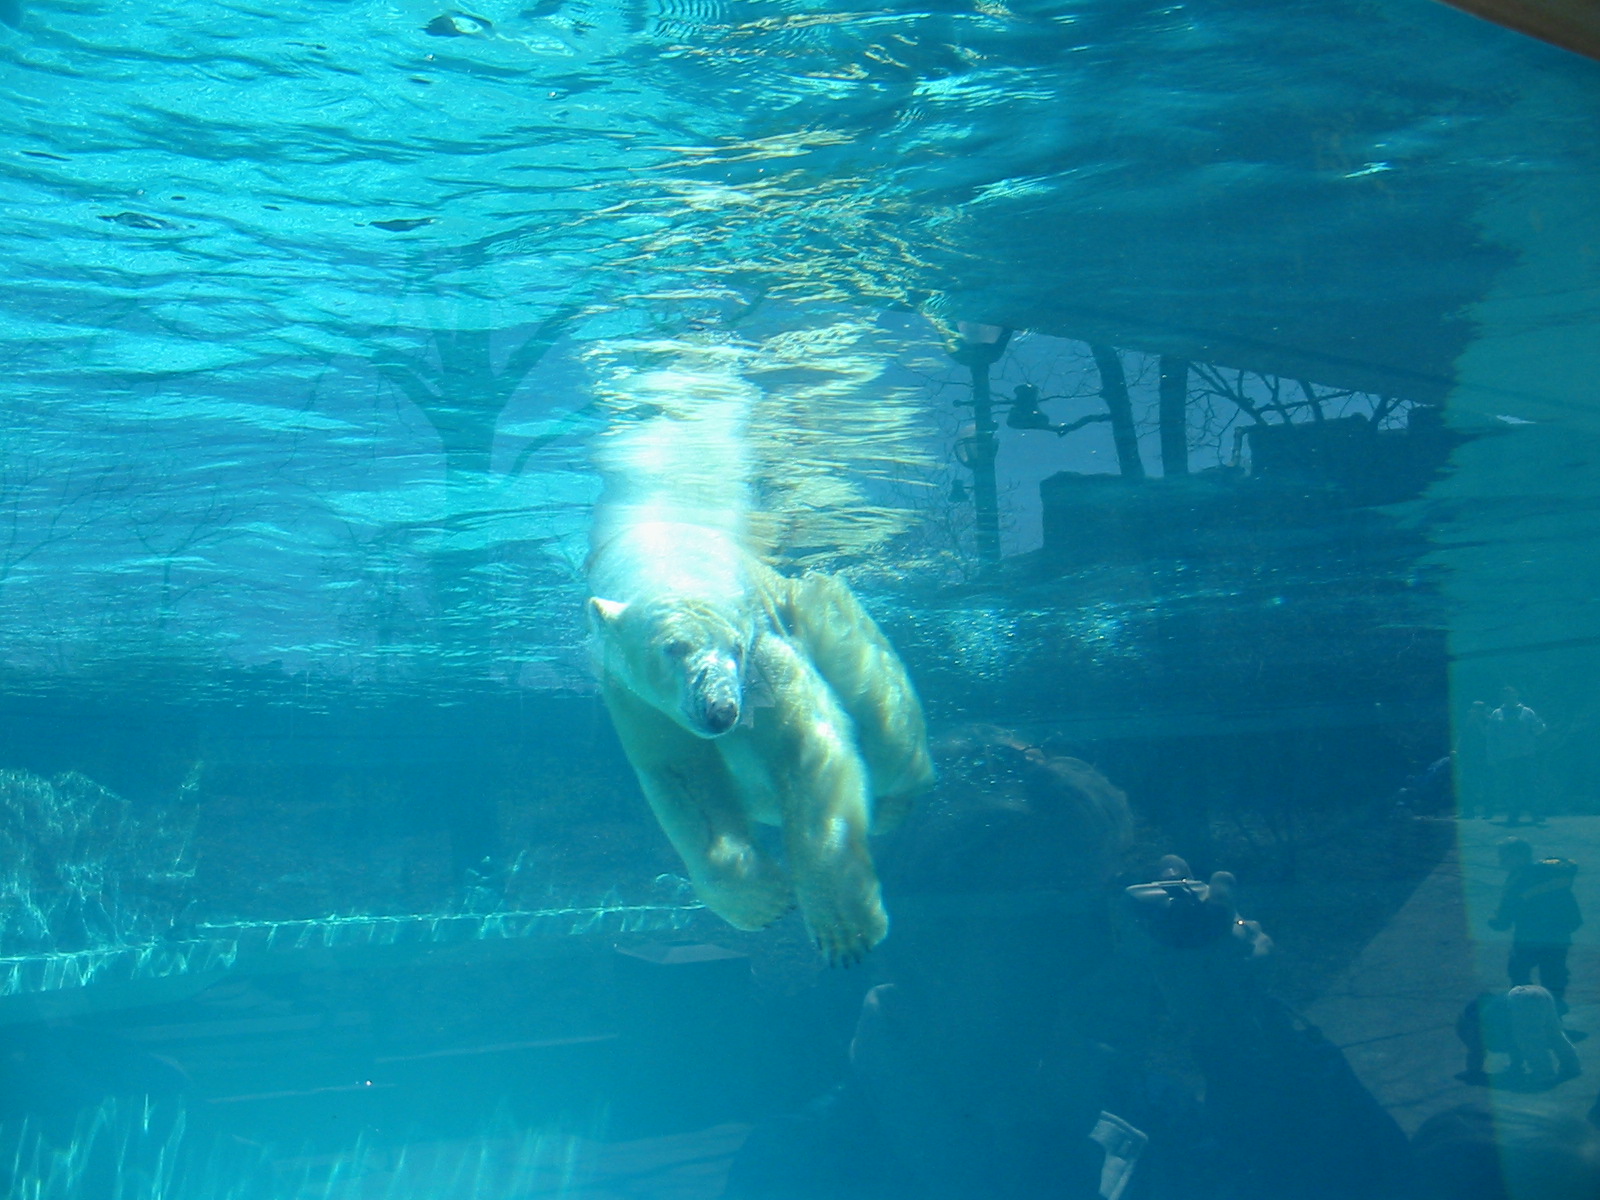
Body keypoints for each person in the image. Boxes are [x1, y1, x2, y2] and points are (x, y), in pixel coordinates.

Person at [1490, 837, 1582, 1013]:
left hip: (1528, 937)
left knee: (1518, 971)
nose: (1501, 861)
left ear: (1519, 857)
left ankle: (1526, 1007)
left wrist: (1497, 922)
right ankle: (1556, 1006)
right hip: (1558, 936)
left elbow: (1506, 910)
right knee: (1554, 972)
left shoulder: (1518, 879)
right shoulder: (1549, 872)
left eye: (1504, 856)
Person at [1486, 687, 1546, 824]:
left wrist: (1539, 727)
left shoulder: (1527, 712)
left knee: (1529, 785)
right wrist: (1491, 756)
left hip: (1526, 755)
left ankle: (1535, 813)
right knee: (1510, 787)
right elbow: (1491, 737)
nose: (1509, 698)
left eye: (1511, 695)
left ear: (1517, 695)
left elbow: (1539, 730)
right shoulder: (1497, 713)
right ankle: (1513, 814)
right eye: (1505, 695)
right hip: (1506, 757)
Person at [1457, 700, 1490, 819]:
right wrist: (1457, 750)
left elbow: (1487, 734)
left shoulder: (1488, 720)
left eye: (1478, 709)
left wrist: (1477, 721)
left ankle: (1488, 811)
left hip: (1483, 757)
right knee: (1466, 783)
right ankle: (1468, 811)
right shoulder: (1467, 720)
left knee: (1486, 783)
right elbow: (1462, 735)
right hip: (1468, 757)